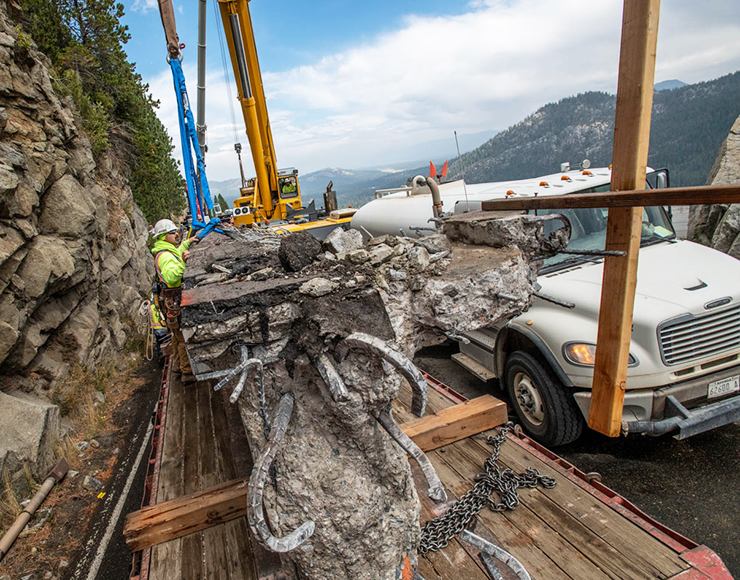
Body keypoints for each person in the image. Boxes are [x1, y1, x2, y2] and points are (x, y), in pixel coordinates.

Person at [151, 218, 199, 382]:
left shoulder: (165, 251)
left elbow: (176, 254)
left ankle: (178, 367)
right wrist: (183, 264)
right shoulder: (165, 256)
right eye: (172, 232)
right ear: (164, 236)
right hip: (174, 302)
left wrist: (187, 243)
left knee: (177, 337)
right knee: (183, 338)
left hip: (169, 302)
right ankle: (187, 373)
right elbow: (171, 277)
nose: (176, 234)